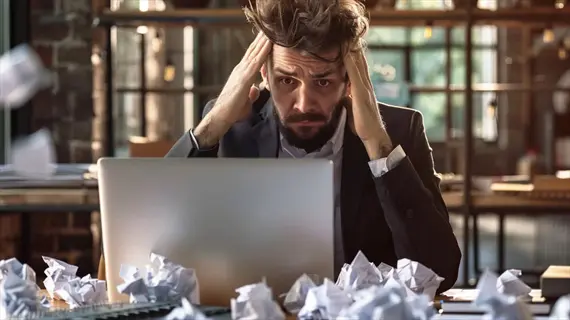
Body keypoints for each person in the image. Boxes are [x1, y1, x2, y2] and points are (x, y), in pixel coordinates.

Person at [166, 0, 461, 293]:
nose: (304, 104)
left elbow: (440, 272)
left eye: (322, 82)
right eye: (286, 80)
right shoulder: (230, 127)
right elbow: (158, 249)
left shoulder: (399, 132)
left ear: (348, 82)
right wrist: (209, 128)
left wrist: (378, 146)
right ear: (265, 77)